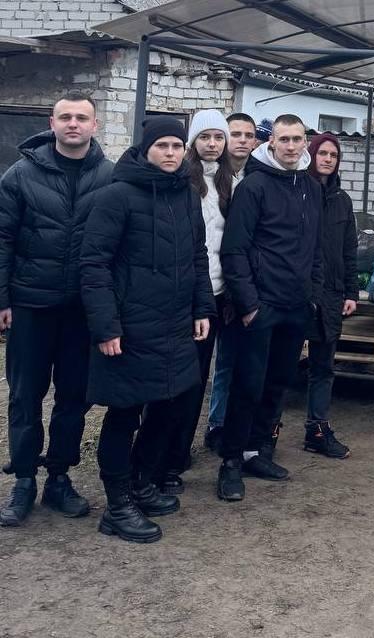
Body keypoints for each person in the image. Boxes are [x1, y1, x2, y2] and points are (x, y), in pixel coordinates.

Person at [80, 116, 215, 543]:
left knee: (169, 405)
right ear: (146, 149)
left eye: (177, 146)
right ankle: (117, 506)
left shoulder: (187, 194)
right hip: (129, 327)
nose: (171, 153)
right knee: (125, 412)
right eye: (163, 146)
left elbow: (197, 255)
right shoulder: (116, 195)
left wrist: (202, 307)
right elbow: (94, 264)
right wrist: (106, 327)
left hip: (174, 324)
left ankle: (141, 482)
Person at [0, 92, 113, 527]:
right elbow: (2, 238)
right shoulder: (20, 175)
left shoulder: (109, 177)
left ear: (95, 125)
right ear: (52, 123)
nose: (73, 124)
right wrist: (2, 299)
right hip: (31, 305)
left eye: (82, 117)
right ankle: (24, 479)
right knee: (25, 397)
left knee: (73, 399)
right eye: (65, 116)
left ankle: (59, 478)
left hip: (82, 311)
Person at [216, 113, 324, 502]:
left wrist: (312, 295)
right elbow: (235, 250)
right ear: (271, 143)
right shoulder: (254, 186)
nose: (291, 146)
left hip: (296, 306)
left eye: (297, 139)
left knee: (277, 384)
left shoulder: (310, 187)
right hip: (261, 306)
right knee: (247, 385)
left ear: (305, 142)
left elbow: (314, 248)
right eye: (284, 139)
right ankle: (230, 462)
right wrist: (249, 305)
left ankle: (256, 452)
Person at [145, 110, 233, 495]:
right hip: (179, 295)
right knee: (168, 380)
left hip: (213, 294)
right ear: (192, 143)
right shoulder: (182, 180)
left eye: (218, 137)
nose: (212, 144)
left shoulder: (231, 183)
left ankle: (177, 455)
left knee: (196, 381)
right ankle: (153, 454)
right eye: (204, 137)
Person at [302, 133, 357, 458]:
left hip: (332, 295)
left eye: (332, 155)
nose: (326, 159)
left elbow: (349, 249)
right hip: (298, 293)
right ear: (311, 155)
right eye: (322, 153)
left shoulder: (342, 200)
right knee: (280, 368)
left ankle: (317, 430)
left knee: (323, 367)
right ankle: (266, 434)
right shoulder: (298, 193)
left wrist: (351, 291)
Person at [205, 112, 256, 452]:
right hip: (209, 280)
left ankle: (222, 423)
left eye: (247, 135)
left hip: (240, 283)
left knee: (230, 358)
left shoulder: (258, 176)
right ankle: (210, 425)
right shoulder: (208, 177)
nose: (241, 140)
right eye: (234, 133)